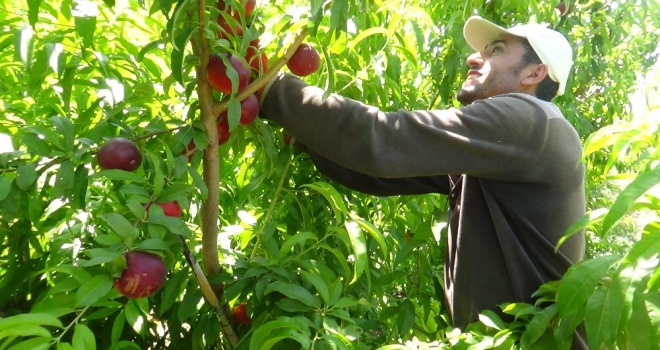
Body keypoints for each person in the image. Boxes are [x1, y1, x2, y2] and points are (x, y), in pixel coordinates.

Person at [258, 16, 586, 347]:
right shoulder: (501, 151)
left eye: (496, 50)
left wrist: (267, 87)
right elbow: (379, 171)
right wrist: (307, 133)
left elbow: (386, 138)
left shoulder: (530, 120)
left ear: (534, 73)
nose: (474, 58)